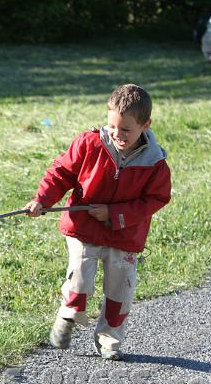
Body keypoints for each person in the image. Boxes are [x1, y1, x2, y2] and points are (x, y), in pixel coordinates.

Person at [24, 84, 171, 360]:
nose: (118, 134)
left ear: (145, 125)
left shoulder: (155, 163)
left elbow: (157, 199)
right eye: (113, 126)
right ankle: (68, 316)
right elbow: (61, 174)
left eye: (126, 129)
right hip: (83, 228)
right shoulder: (89, 143)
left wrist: (115, 215)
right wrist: (42, 200)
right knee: (79, 278)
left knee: (120, 292)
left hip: (124, 236)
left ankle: (109, 339)